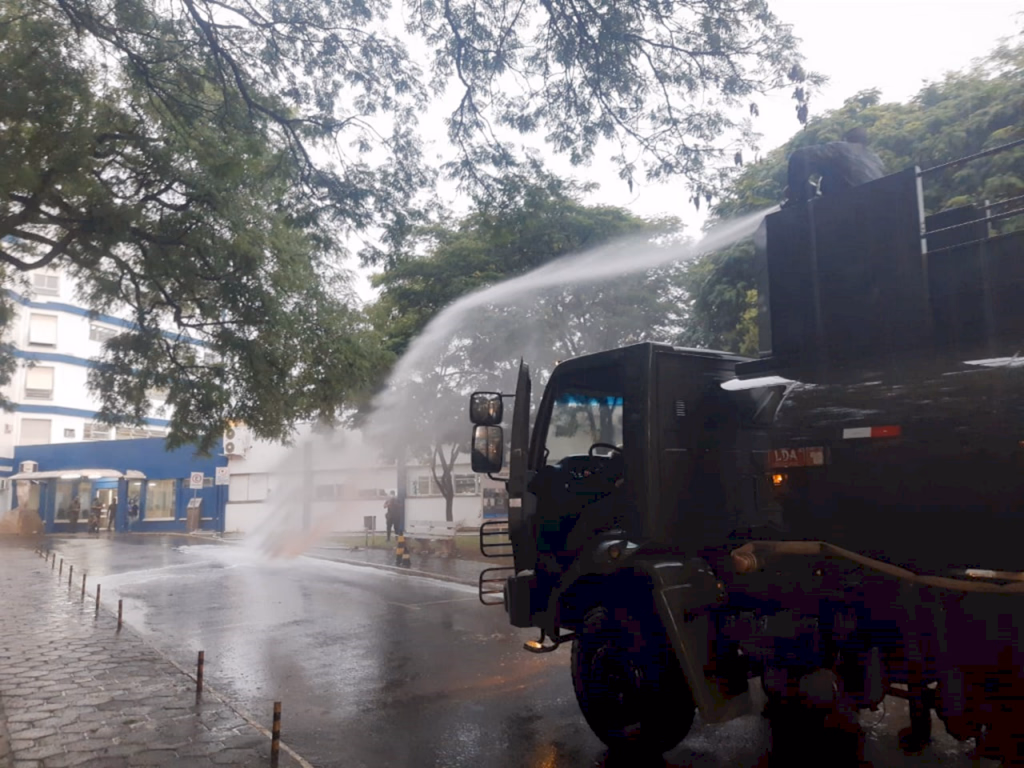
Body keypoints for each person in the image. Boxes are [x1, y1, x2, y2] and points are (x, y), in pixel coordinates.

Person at [785, 127, 886, 206]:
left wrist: (799, 191)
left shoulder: (840, 148)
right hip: (879, 204)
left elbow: (799, 156)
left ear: (845, 139)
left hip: (846, 207)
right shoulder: (876, 160)